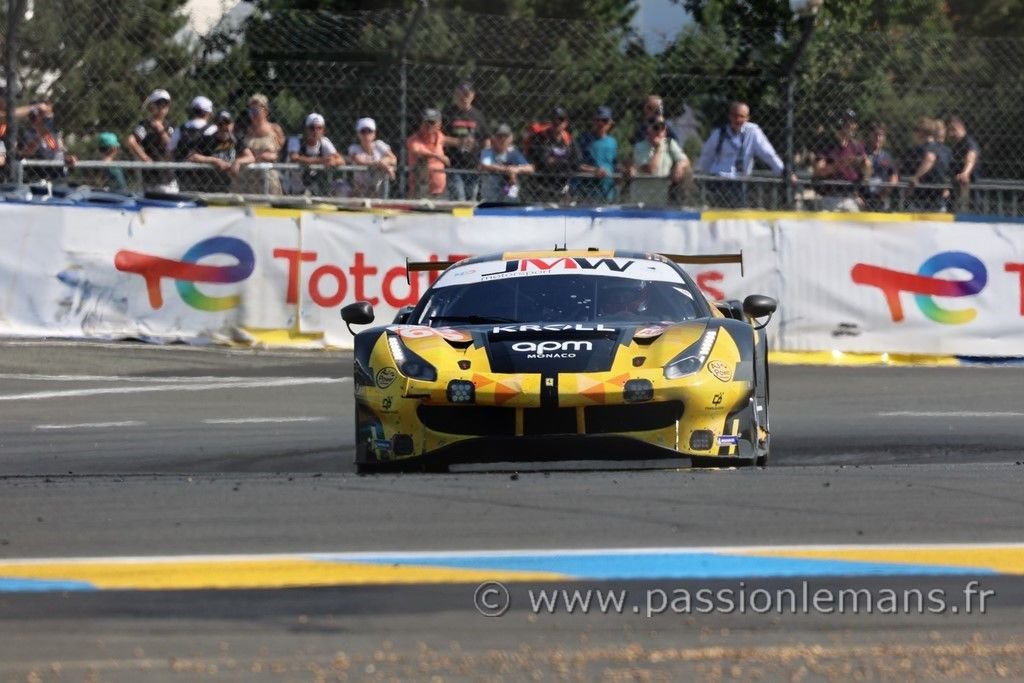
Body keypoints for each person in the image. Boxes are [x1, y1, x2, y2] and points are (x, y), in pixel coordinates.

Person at [696, 101, 789, 208]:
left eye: (742, 116)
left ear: (747, 118)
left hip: (739, 182)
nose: (738, 119)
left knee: (736, 213)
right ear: (730, 116)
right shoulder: (719, 133)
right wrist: (704, 175)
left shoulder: (753, 132)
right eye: (735, 116)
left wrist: (783, 171)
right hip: (719, 180)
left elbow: (768, 153)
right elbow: (706, 155)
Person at [813, 109, 871, 211]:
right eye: (849, 123)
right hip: (830, 196)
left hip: (851, 196)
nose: (853, 126)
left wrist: (865, 166)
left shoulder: (857, 146)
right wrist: (839, 164)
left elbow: (866, 172)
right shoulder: (826, 144)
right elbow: (818, 171)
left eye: (854, 123)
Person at [443, 82, 489, 201]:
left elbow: (486, 140)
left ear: (473, 95)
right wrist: (458, 142)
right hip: (454, 165)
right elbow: (440, 138)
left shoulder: (478, 115)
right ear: (455, 95)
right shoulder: (448, 114)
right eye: (460, 94)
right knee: (459, 199)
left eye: (467, 94)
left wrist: (485, 160)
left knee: (471, 199)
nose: (464, 97)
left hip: (473, 166)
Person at [629, 114, 689, 204]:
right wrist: (657, 149)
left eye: (663, 127)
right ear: (648, 129)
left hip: (662, 198)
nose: (660, 131)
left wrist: (679, 166)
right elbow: (650, 169)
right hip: (642, 199)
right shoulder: (640, 147)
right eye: (656, 128)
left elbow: (685, 160)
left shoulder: (670, 144)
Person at [126, 88, 177, 193]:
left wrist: (160, 130)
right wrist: (145, 158)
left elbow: (171, 145)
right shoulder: (146, 125)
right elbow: (131, 141)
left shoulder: (168, 126)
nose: (162, 107)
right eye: (159, 104)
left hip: (167, 175)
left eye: (165, 104)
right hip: (151, 175)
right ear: (152, 106)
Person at [232, 93, 283, 195]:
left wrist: (274, 155)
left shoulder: (275, 129)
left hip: (268, 175)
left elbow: (283, 151)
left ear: (266, 111)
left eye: (256, 110)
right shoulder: (244, 130)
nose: (253, 113)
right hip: (247, 176)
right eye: (251, 110)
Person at [523, 106, 576, 202]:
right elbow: (543, 162)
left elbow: (576, 161)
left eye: (561, 119)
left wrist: (554, 161)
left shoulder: (568, 139)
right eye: (554, 119)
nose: (557, 122)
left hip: (562, 186)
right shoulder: (540, 138)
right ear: (550, 121)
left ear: (566, 122)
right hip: (540, 187)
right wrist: (564, 162)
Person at [288, 112, 344, 196]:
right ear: (306, 129)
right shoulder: (296, 140)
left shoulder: (324, 141)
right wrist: (322, 160)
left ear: (323, 130)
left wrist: (333, 161)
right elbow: (294, 157)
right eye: (312, 128)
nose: (316, 131)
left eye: (319, 128)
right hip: (291, 189)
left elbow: (341, 160)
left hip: (312, 188)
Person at [18, 102, 77, 183]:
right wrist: (39, 137)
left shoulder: (54, 132)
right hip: (42, 175)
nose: (50, 117)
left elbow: (58, 152)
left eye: (51, 114)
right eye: (46, 115)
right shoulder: (29, 134)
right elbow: (26, 153)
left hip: (59, 173)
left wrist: (68, 158)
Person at [572, 105, 618, 203]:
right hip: (587, 191)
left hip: (608, 191)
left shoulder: (612, 142)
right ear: (593, 121)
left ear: (610, 123)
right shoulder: (583, 139)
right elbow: (577, 165)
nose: (600, 123)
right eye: (597, 120)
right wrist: (595, 170)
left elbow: (614, 164)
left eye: (604, 120)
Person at [478, 123, 533, 202]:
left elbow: (530, 168)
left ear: (511, 138)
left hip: (509, 194)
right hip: (490, 197)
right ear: (494, 138)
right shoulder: (487, 152)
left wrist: (516, 169)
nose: (503, 139)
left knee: (513, 191)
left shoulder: (513, 152)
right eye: (499, 136)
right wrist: (506, 169)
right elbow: (485, 165)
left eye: (506, 136)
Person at [188, 110, 240, 193]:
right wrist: (215, 160)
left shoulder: (236, 140)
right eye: (220, 124)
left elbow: (250, 157)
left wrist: (237, 162)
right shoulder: (208, 139)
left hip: (229, 185)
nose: (224, 127)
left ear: (232, 124)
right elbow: (192, 156)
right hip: (208, 186)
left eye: (227, 123)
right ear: (216, 125)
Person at [170, 95, 215, 191]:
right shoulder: (212, 129)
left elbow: (170, 150)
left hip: (182, 176)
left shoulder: (180, 129)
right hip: (206, 177)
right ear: (207, 113)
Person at [904, 117, 949, 212]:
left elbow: (930, 159)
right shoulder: (943, 149)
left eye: (915, 131)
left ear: (921, 133)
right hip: (938, 195)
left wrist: (916, 177)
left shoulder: (923, 148)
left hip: (922, 197)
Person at [347, 117, 397, 198]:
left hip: (378, 190)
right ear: (358, 134)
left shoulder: (379, 145)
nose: (366, 135)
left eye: (369, 131)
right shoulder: (354, 148)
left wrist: (383, 162)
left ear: (374, 134)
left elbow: (393, 159)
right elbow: (360, 161)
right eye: (363, 131)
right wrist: (381, 164)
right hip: (360, 190)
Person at [406, 108, 449, 199]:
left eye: (432, 122)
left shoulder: (439, 136)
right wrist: (439, 157)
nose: (428, 125)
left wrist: (461, 142)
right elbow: (418, 152)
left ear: (439, 124)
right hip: (420, 190)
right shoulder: (414, 139)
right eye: (425, 122)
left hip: (440, 190)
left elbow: (449, 140)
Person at [860, 122, 899, 211]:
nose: (877, 138)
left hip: (881, 197)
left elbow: (894, 176)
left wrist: (888, 189)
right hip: (862, 197)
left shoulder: (887, 156)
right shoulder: (861, 152)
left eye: (880, 135)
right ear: (869, 135)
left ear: (884, 138)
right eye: (875, 135)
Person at [947, 115, 980, 213]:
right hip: (957, 187)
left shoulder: (968, 142)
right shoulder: (956, 144)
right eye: (949, 130)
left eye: (953, 129)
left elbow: (971, 156)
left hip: (969, 187)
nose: (951, 133)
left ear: (961, 127)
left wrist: (965, 172)